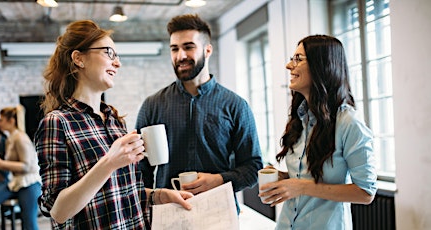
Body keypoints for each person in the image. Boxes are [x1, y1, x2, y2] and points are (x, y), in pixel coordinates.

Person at [34, 20, 193, 229]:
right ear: (78, 58)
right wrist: (109, 162)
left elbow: (119, 192)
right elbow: (58, 211)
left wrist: (158, 195)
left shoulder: (115, 121)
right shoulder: (57, 123)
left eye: (117, 56)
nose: (117, 63)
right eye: (109, 53)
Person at [135, 14, 263, 208]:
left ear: (208, 50)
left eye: (188, 47)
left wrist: (219, 179)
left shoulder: (236, 106)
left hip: (220, 212)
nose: (180, 56)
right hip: (168, 214)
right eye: (174, 49)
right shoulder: (152, 106)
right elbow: (139, 169)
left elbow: (253, 168)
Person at [258, 35, 378, 229]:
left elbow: (366, 193)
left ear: (321, 66)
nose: (289, 65)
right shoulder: (300, 117)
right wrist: (286, 179)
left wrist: (302, 187)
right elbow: (308, 178)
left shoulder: (349, 123)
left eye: (298, 59)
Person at [0, 106, 41, 230]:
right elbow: (8, 164)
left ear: (11, 121)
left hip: (29, 183)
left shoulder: (21, 138)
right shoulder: (10, 138)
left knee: (28, 222)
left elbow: (26, 166)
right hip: (15, 182)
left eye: (1, 120)